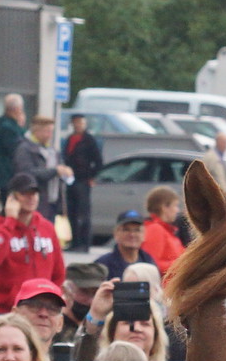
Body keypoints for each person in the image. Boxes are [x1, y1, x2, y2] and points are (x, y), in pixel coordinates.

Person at [0, 174, 61, 314]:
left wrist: (52, 300)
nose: (31, 198)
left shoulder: (46, 227)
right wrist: (10, 223)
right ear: (11, 198)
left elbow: (58, 271)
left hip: (41, 311)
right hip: (6, 311)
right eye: (25, 194)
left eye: (34, 193)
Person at [61, 113, 102, 252]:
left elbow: (98, 161)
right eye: (76, 122)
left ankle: (84, 243)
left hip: (83, 180)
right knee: (72, 212)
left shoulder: (89, 140)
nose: (78, 125)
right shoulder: (69, 139)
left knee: (83, 213)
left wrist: (91, 176)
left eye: (81, 123)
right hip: (71, 179)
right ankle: (75, 241)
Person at [11, 113, 64, 216]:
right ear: (37, 131)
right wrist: (55, 171)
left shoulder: (52, 150)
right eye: (47, 131)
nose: (50, 135)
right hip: (35, 202)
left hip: (52, 202)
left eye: (51, 131)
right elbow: (26, 172)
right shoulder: (24, 149)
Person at [95, 210, 157, 281]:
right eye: (126, 230)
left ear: (144, 235)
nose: (132, 234)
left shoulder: (148, 261)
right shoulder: (103, 264)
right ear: (116, 234)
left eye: (137, 230)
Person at [9, 278, 66, 352]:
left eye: (52, 308)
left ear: (60, 323)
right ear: (15, 314)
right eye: (34, 305)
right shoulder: (0, 360)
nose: (43, 314)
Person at [0, 94, 26, 200]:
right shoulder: (9, 128)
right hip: (8, 175)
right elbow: (17, 149)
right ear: (17, 109)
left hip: (7, 175)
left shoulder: (6, 125)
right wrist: (21, 128)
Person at [142, 186, 186, 269]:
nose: (177, 210)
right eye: (175, 205)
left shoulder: (167, 230)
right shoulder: (155, 229)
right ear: (164, 207)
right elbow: (152, 263)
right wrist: (183, 265)